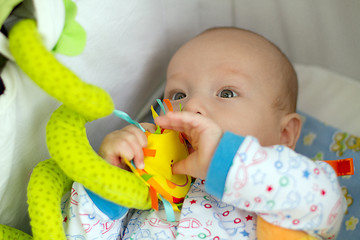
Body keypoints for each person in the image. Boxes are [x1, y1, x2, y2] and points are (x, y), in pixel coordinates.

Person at [62, 27, 346, 239]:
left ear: (284, 134)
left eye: (226, 92)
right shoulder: (149, 187)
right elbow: (72, 233)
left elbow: (327, 204)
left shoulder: (292, 186)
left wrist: (223, 161)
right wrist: (109, 184)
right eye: (178, 93)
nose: (191, 105)